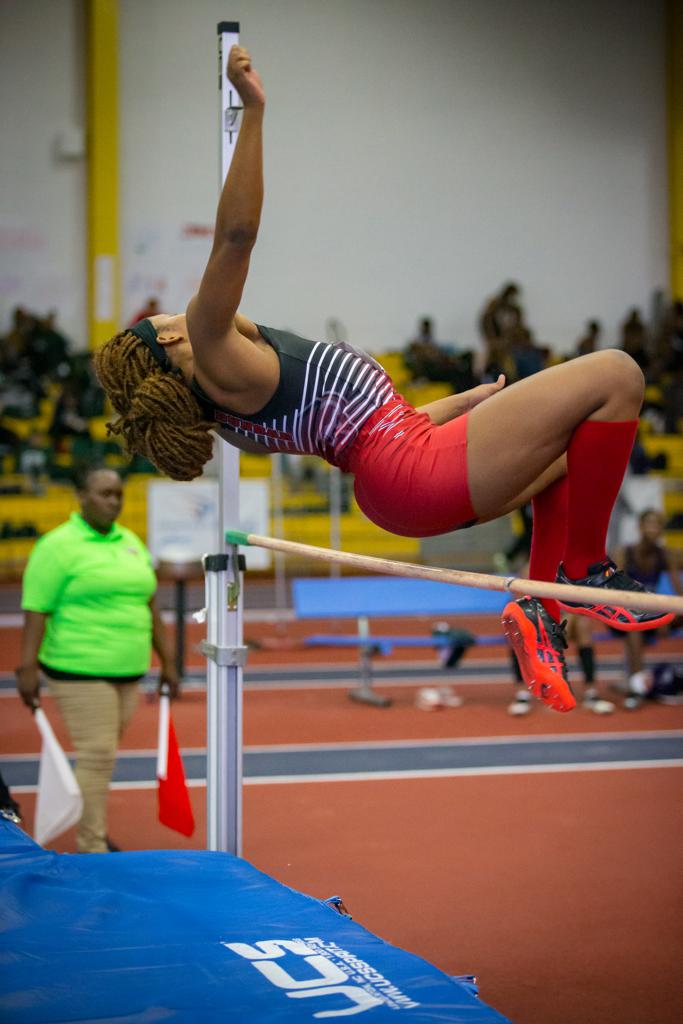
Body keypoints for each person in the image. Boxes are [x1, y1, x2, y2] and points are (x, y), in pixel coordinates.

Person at [93, 45, 674, 716]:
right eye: (164, 316)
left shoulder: (231, 414)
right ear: (167, 339)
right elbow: (236, 238)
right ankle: (583, 569)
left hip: (400, 476)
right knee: (617, 374)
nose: (177, 310)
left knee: (576, 450)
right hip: (410, 470)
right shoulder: (209, 341)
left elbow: (383, 433)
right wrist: (254, 111)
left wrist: (471, 403)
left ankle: (540, 609)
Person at [15, 465, 179, 852]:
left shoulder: (131, 541)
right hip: (77, 666)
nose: (114, 501)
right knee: (98, 754)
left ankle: (94, 830)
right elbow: (36, 609)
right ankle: (92, 844)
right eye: (105, 493)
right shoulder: (57, 546)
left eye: (119, 494)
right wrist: (27, 666)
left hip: (128, 668)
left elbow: (151, 605)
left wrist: (169, 662)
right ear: (82, 497)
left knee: (102, 755)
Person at [612, 508, 682, 709]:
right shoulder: (623, 553)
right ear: (640, 527)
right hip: (621, 614)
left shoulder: (665, 555)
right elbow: (616, 593)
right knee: (636, 627)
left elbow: (678, 593)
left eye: (658, 525)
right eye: (649, 524)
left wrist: (669, 617)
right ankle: (636, 688)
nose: (653, 529)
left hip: (651, 614)